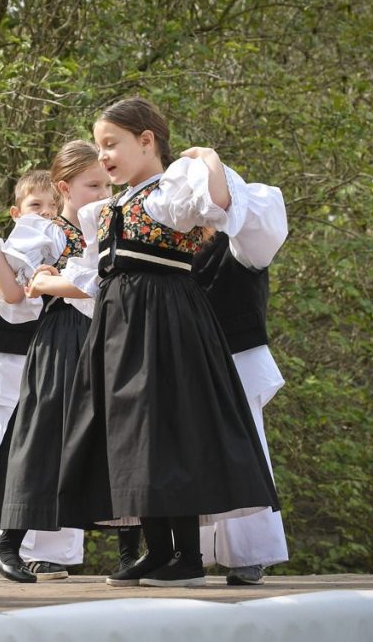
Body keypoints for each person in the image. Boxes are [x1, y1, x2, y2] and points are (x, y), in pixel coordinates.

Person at [55, 97, 280, 588]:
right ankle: (157, 550)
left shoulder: (171, 191)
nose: (104, 155)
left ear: (147, 140)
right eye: (99, 146)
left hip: (165, 323)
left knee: (170, 429)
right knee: (131, 434)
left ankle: (187, 557)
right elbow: (95, 274)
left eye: (111, 144)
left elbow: (218, 204)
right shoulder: (109, 207)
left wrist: (210, 158)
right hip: (119, 327)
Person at [0, 158, 103, 582]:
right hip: (23, 359)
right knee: (20, 446)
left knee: (75, 444)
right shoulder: (30, 237)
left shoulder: (93, 232)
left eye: (50, 205)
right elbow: (9, 293)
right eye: (35, 205)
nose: (45, 212)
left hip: (82, 346)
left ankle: (58, 551)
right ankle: (1, 542)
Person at [192, 176, 290, 586]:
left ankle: (251, 552)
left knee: (246, 451)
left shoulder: (243, 241)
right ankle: (187, 550)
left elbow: (262, 219)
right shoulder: (175, 243)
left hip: (237, 359)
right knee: (186, 455)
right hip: (188, 362)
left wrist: (214, 170)